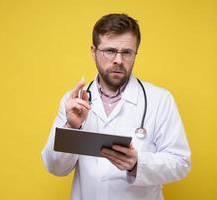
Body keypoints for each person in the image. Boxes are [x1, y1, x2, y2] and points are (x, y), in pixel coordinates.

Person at [41, 13, 191, 200]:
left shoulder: (160, 100)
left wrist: (138, 163)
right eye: (110, 51)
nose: (118, 60)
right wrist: (72, 127)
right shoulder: (74, 102)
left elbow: (181, 162)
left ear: (135, 53)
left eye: (127, 52)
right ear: (93, 51)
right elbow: (55, 167)